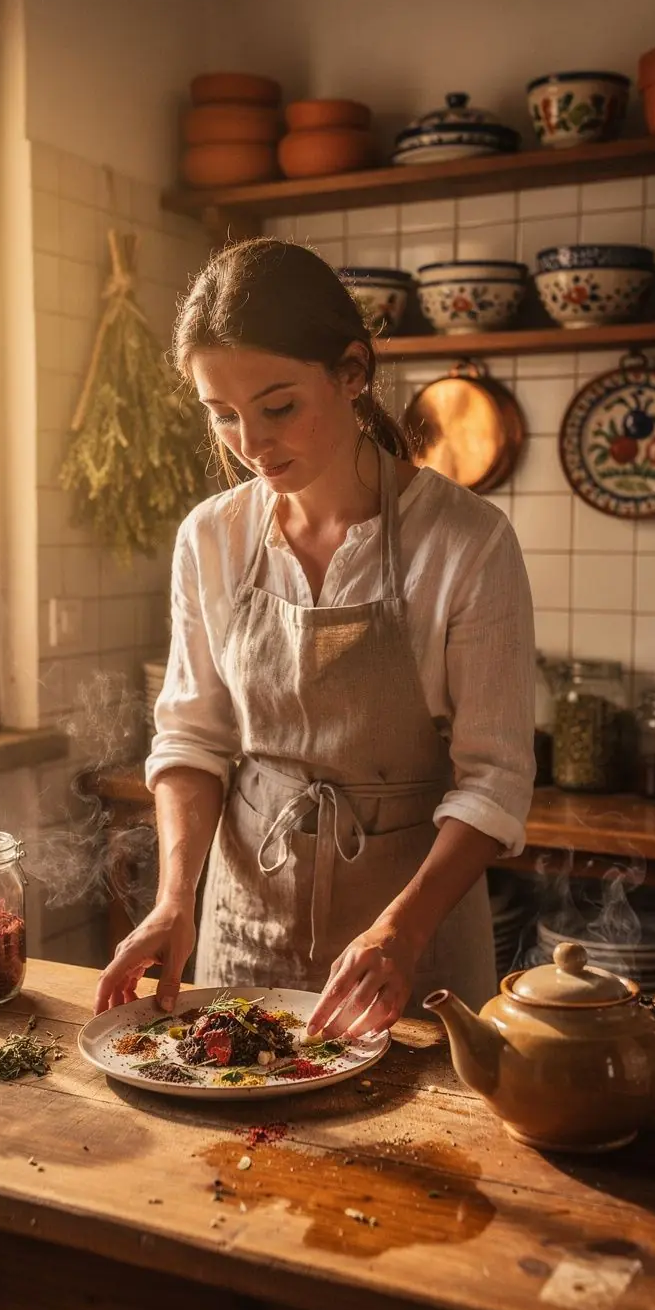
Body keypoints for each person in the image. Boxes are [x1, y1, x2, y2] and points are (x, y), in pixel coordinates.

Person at [94, 238, 535, 1038]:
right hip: (247, 924)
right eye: (222, 414)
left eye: (278, 407)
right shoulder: (212, 538)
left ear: (352, 371)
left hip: (413, 943)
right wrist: (173, 899)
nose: (251, 444)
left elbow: (495, 782)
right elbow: (193, 738)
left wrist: (401, 931)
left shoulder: (466, 541)